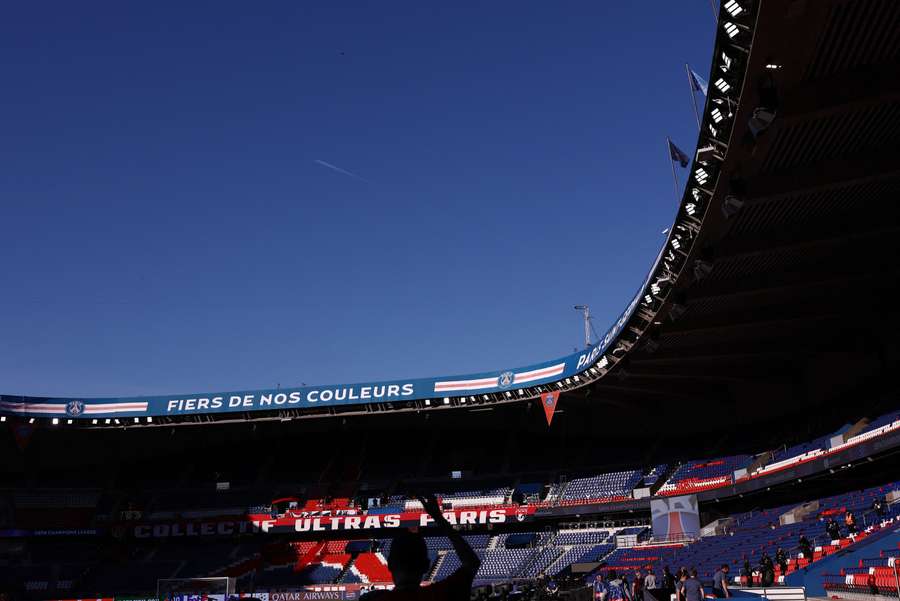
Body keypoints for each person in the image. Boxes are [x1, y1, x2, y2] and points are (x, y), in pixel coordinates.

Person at [363, 494, 480, 601]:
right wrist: (438, 518)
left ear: (390, 564)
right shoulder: (440, 594)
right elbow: (472, 563)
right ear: (426, 565)